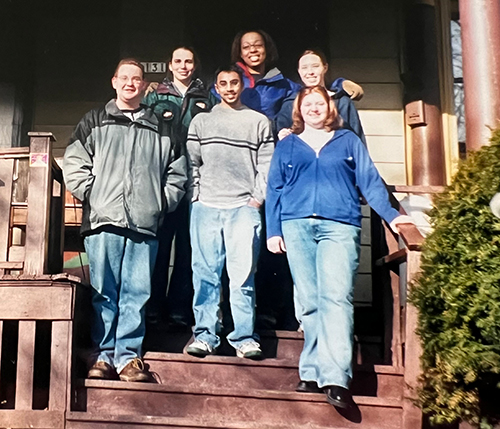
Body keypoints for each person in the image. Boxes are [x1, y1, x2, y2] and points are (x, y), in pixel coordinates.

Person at [266, 86, 413, 408]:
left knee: (336, 298)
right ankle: (311, 371)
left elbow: (370, 182)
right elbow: (274, 189)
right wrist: (273, 230)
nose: (314, 109)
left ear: (330, 108)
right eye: (308, 105)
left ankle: (335, 378)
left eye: (320, 103)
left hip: (339, 226)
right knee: (309, 301)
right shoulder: (288, 145)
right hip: (296, 225)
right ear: (299, 110)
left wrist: (392, 215)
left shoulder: (348, 141)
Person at [63, 59, 187, 382]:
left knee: (137, 292)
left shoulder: (161, 126)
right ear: (114, 82)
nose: (131, 83)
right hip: (104, 221)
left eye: (137, 79)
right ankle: (103, 357)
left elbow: (177, 173)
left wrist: (159, 203)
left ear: (144, 86)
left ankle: (128, 358)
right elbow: (74, 165)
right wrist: (96, 193)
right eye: (125, 78)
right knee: (104, 292)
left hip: (144, 223)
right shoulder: (94, 121)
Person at [185, 65, 274, 359]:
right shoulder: (201, 121)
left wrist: (257, 199)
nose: (229, 88)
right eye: (223, 83)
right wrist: (196, 196)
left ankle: (244, 337)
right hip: (206, 207)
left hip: (242, 209)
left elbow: (267, 165)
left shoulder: (258, 121)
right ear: (216, 88)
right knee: (206, 274)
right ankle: (205, 335)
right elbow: (192, 162)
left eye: (234, 82)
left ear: (242, 85)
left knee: (242, 277)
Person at [143, 47, 218, 328]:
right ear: (170, 65)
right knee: (159, 247)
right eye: (178, 61)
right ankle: (153, 308)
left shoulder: (207, 98)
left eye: (188, 61)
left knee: (188, 248)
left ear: (195, 65)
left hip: (195, 183)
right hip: (161, 182)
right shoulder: (155, 96)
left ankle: (179, 309)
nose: (183, 66)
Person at [229, 30, 363, 126]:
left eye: (258, 45)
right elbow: (212, 100)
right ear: (240, 52)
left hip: (269, 146)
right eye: (246, 47)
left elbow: (312, 89)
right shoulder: (230, 82)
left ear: (267, 49)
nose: (252, 50)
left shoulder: (282, 84)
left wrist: (341, 84)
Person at [276, 49, 366, 144]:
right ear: (299, 71)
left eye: (315, 66)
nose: (310, 72)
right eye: (304, 67)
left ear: (325, 68)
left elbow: (357, 139)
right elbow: (281, 139)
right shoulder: (291, 104)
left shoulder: (342, 102)